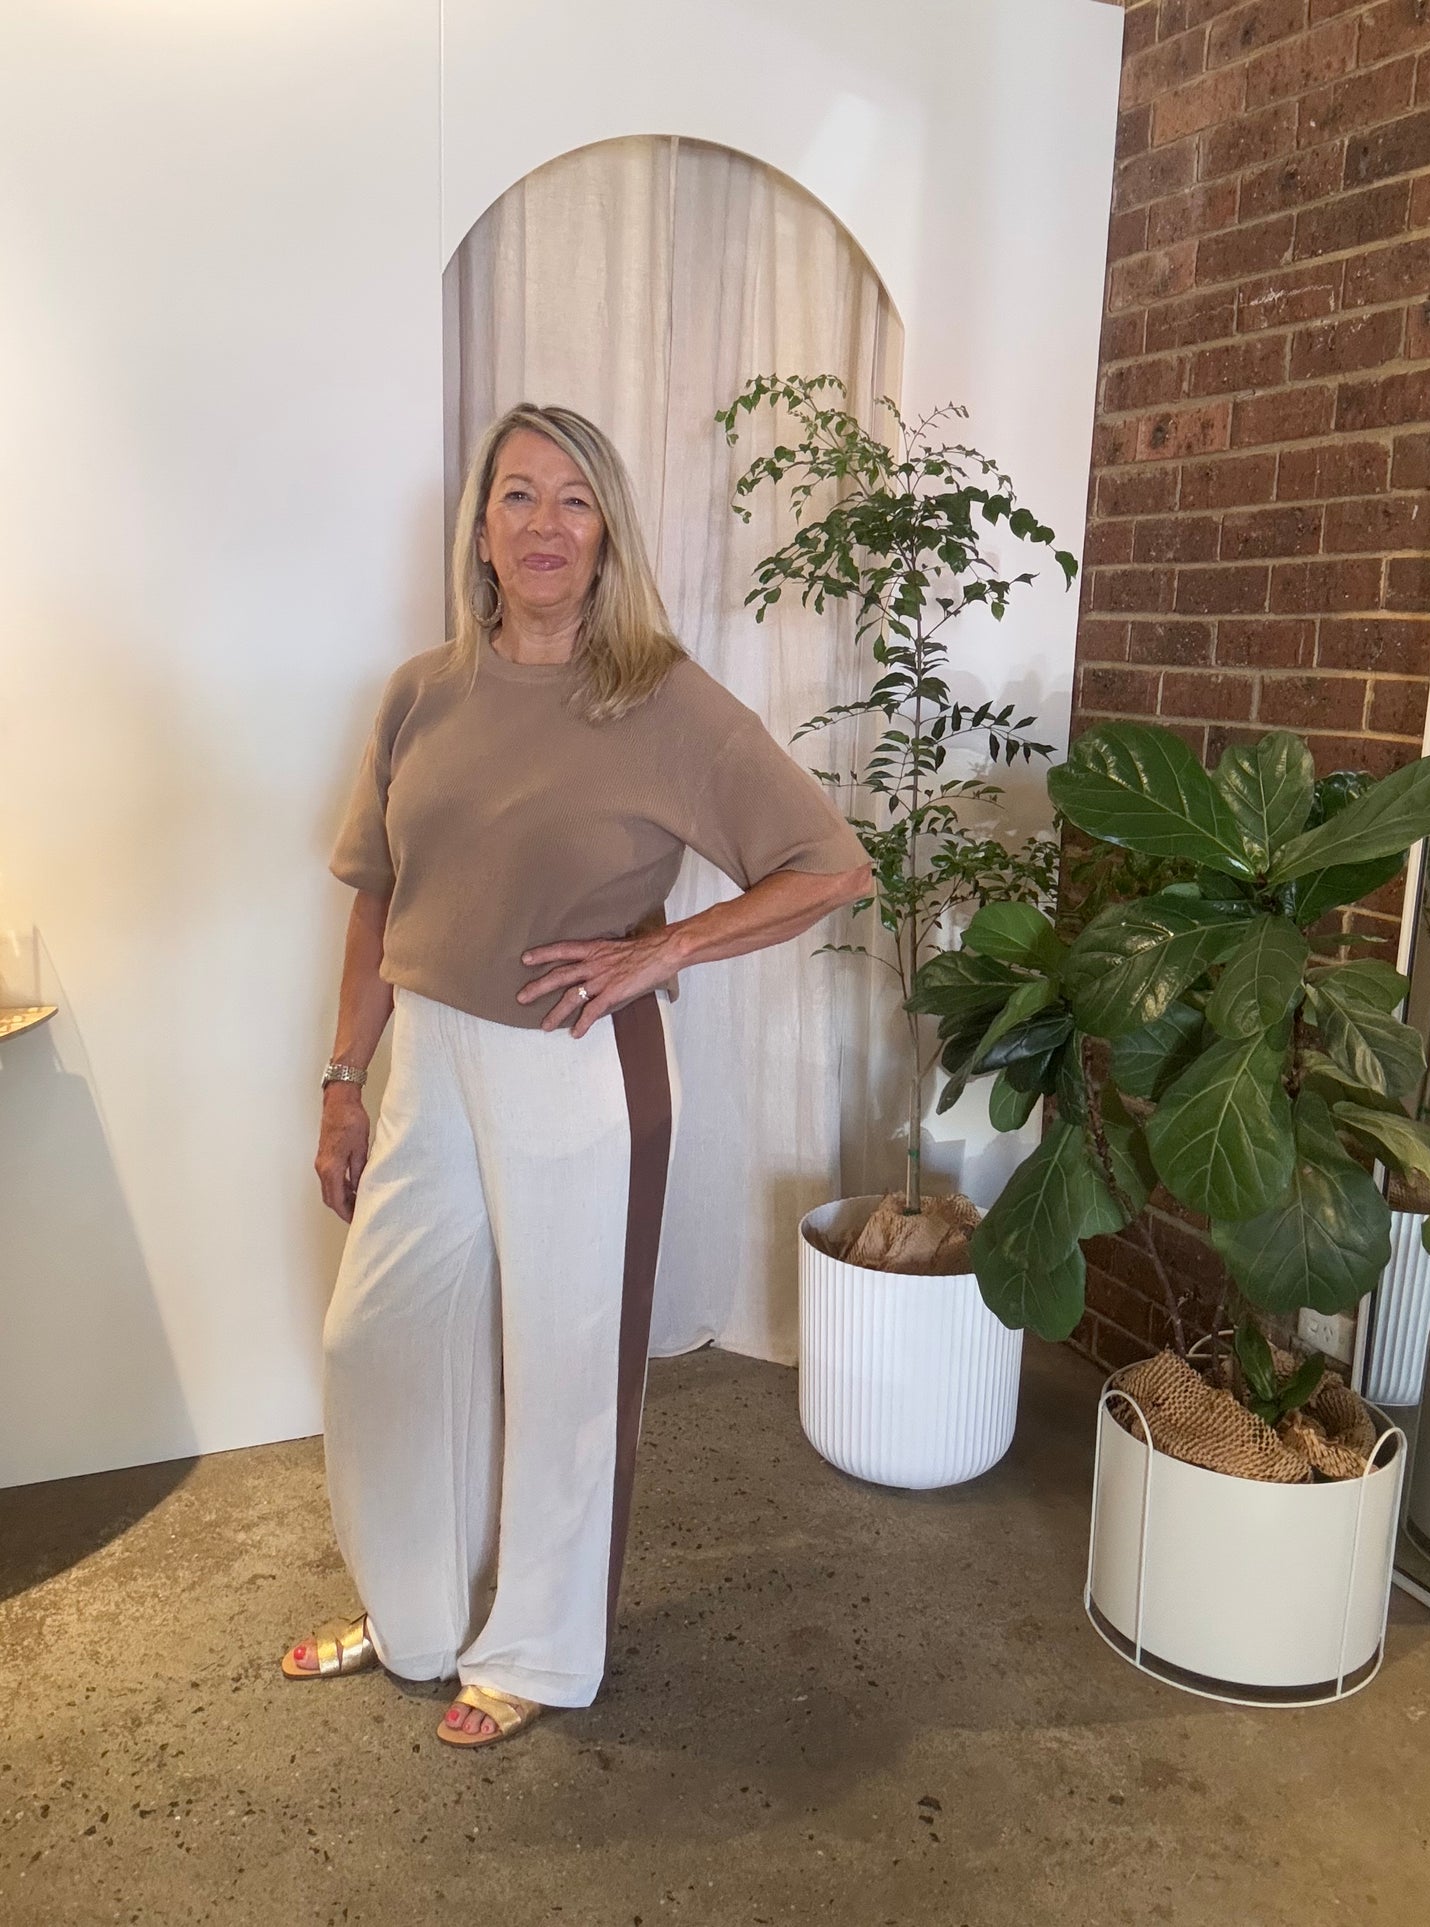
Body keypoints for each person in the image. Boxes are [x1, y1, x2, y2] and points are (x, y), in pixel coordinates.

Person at [280, 402, 871, 1748]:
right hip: (428, 1058)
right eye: (517, 495)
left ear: (607, 532)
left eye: (574, 499)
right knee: (377, 1338)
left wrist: (666, 948)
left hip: (577, 1062)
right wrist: (341, 1078)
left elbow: (829, 867)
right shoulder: (420, 694)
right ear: (480, 530)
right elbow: (377, 899)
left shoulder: (660, 698)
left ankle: (539, 1653)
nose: (543, 524)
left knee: (565, 1363)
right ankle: (412, 1616)